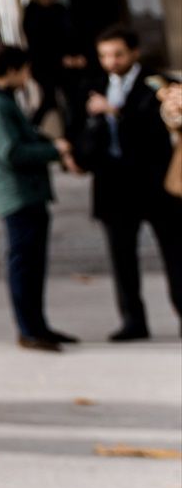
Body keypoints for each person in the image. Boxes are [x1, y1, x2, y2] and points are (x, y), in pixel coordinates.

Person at [0, 45, 79, 351]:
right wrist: (56, 151)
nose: (28, 76)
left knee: (31, 264)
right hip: (17, 194)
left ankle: (37, 326)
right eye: (25, 69)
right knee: (25, 264)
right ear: (10, 71)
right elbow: (11, 152)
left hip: (25, 192)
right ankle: (29, 330)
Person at [72, 27, 181, 341]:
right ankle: (133, 321)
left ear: (134, 53)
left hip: (158, 184)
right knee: (122, 260)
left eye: (118, 54)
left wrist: (115, 113)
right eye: (105, 55)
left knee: (176, 255)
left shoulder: (159, 84)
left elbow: (159, 126)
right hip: (113, 186)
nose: (111, 61)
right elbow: (77, 130)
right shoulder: (91, 86)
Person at [23, 0, 86, 132]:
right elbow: (39, 44)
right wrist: (62, 59)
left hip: (67, 65)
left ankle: (75, 133)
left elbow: (71, 35)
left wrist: (76, 56)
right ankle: (30, 129)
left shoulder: (59, 9)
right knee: (50, 100)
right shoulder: (32, 13)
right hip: (46, 65)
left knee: (74, 98)